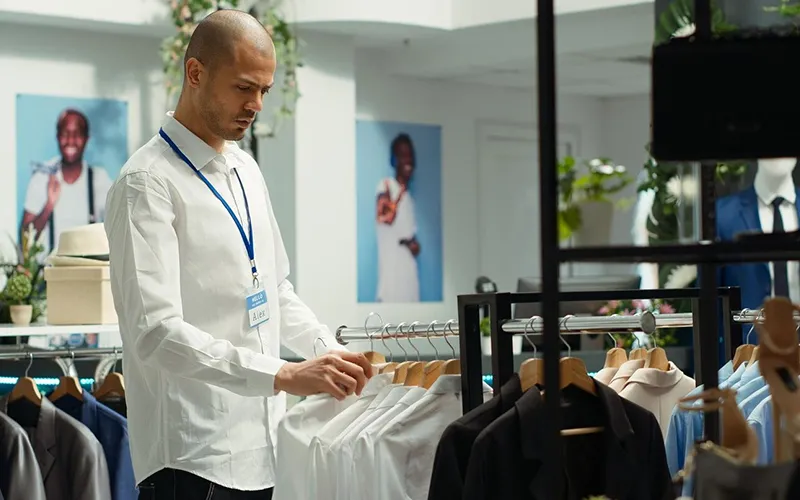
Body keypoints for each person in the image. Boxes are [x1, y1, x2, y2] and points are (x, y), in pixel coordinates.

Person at [104, 10, 372, 500]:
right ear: (196, 73)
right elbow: (156, 334)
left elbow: (274, 289)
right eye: (244, 87)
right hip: (191, 461)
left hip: (266, 451)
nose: (256, 105)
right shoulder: (145, 183)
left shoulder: (245, 169)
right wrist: (285, 374)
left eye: (265, 91)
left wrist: (325, 353)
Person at [21, 108, 113, 253]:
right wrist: (48, 206)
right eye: (65, 134)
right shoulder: (42, 177)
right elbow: (25, 240)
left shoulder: (99, 180)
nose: (70, 140)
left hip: (87, 272)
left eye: (77, 134)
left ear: (86, 139)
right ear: (57, 137)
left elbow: (118, 230)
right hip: (47, 273)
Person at [375, 133, 421, 302]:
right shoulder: (385, 186)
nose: (407, 161)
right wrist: (400, 191)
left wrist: (413, 245)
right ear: (394, 159)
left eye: (410, 156)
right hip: (391, 270)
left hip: (407, 270)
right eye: (402, 155)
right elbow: (385, 217)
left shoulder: (409, 197)